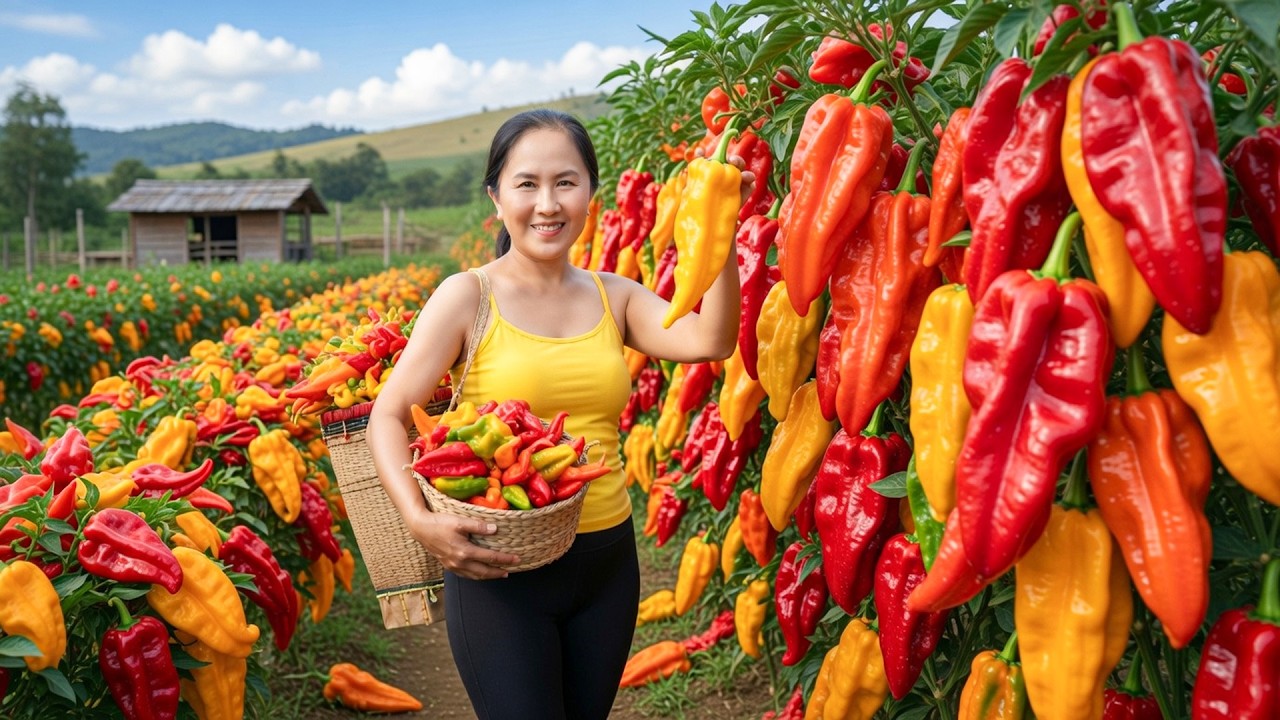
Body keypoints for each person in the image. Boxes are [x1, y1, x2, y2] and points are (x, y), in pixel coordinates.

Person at [367, 108, 753, 720]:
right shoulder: (468, 296)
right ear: (496, 198)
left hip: (606, 561)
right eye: (527, 184)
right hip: (499, 563)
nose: (547, 203)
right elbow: (386, 417)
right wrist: (418, 521)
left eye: (566, 182)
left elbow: (711, 340)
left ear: (590, 194)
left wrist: (724, 227)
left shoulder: (614, 294)